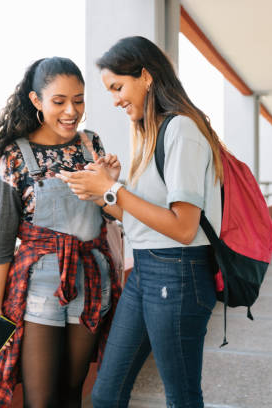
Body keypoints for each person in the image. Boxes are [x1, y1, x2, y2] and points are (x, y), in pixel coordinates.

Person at [58, 36, 222, 408]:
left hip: (178, 274)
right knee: (106, 394)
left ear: (145, 76)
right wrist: (102, 191)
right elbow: (140, 220)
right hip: (147, 271)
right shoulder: (149, 135)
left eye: (118, 87)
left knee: (181, 398)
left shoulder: (182, 129)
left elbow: (183, 227)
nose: (115, 99)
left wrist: (115, 189)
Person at [0, 57, 122, 408]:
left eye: (79, 99)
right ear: (36, 101)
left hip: (91, 280)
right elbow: (1, 241)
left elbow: (112, 213)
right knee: (40, 400)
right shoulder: (15, 156)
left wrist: (110, 186)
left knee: (71, 392)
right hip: (40, 287)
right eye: (59, 101)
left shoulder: (92, 146)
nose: (71, 111)